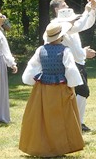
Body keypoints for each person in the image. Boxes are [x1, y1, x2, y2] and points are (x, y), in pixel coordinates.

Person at [19, 21, 84, 157]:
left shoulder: (40, 50)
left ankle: (43, 145)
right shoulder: (65, 51)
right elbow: (70, 69)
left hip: (42, 89)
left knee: (42, 117)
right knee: (59, 117)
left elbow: (32, 67)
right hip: (60, 87)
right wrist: (72, 86)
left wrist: (29, 80)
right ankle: (59, 147)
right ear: (61, 37)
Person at [50, 0, 96, 132]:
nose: (67, 7)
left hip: (79, 62)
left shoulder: (70, 22)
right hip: (68, 64)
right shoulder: (58, 23)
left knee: (82, 92)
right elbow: (78, 25)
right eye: (64, 5)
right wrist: (87, 10)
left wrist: (92, 9)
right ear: (56, 9)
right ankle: (73, 121)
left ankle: (78, 122)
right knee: (82, 91)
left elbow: (86, 24)